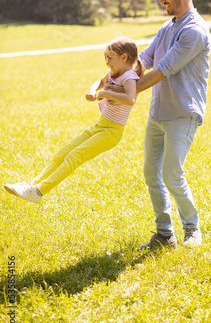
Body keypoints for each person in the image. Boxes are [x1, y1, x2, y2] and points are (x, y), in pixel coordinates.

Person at [108, 0, 211, 249]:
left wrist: (123, 91)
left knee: (171, 174)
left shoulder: (194, 30)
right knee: (152, 173)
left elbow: (162, 71)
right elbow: (145, 60)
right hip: (158, 113)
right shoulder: (167, 27)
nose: (162, 0)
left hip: (182, 112)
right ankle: (165, 234)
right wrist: (117, 74)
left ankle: (192, 228)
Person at [4, 37, 143, 204]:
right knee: (63, 152)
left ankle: (38, 192)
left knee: (75, 156)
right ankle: (30, 185)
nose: (107, 63)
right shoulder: (114, 73)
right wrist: (93, 89)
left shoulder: (128, 76)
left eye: (110, 59)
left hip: (112, 132)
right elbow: (100, 81)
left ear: (124, 57)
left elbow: (130, 98)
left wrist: (106, 94)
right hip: (100, 125)